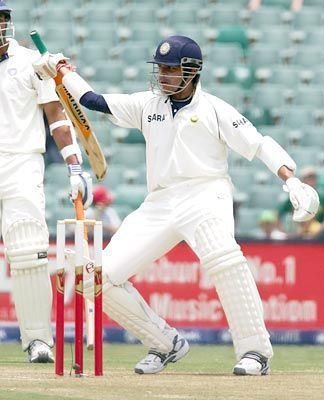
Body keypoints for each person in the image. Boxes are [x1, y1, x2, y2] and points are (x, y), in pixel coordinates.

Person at [33, 35, 319, 376]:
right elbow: (92, 101)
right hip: (160, 201)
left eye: (172, 69)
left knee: (223, 258)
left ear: (192, 71)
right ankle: (165, 343)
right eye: (161, 69)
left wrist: (292, 181)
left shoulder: (214, 108)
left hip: (206, 194)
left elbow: (257, 145)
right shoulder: (147, 105)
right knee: (98, 277)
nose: (164, 76)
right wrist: (61, 70)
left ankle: (255, 352)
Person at [0, 1, 92, 363]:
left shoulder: (30, 64)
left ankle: (38, 340)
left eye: (2, 18)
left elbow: (55, 115)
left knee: (28, 248)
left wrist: (73, 165)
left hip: (21, 161)